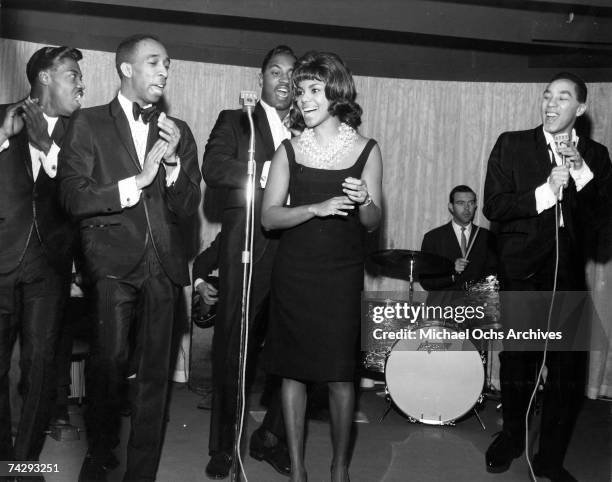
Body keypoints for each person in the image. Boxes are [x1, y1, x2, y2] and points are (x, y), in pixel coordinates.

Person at [58, 34, 201, 481]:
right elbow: (72, 196)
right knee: (108, 371)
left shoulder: (178, 131)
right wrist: (134, 183)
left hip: (164, 269)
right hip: (113, 269)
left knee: (155, 381)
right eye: (154, 62)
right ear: (125, 69)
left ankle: (141, 474)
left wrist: (175, 163)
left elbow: (187, 206)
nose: (164, 71)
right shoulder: (88, 123)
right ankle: (99, 461)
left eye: (168, 64)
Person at [483, 72, 612, 480]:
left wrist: (580, 174)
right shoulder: (512, 143)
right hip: (523, 275)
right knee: (519, 364)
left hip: (569, 279)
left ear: (581, 108)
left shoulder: (596, 154)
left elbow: (603, 223)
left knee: (567, 376)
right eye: (547, 96)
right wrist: (543, 192)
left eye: (563, 97)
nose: (552, 104)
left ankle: (550, 459)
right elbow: (494, 206)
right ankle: (511, 437)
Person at [261, 51, 382, 482]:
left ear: (336, 94)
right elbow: (269, 217)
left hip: (342, 276)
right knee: (292, 373)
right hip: (295, 274)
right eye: (301, 91)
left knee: (339, 376)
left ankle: (339, 467)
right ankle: (297, 470)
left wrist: (365, 200)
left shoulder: (367, 150)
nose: (305, 98)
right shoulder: (288, 151)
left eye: (314, 90)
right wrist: (316, 207)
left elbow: (372, 223)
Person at [201, 45, 296, 478]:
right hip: (249, 248)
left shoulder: (308, 128)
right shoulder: (236, 120)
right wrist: (261, 174)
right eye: (275, 71)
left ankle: (271, 437)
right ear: (261, 78)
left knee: (291, 349)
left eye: (291, 74)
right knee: (233, 348)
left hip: (297, 253)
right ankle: (224, 447)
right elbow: (214, 167)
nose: (283, 79)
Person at [0, 45, 84, 463]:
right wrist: (2, 134)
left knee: (39, 370)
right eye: (72, 74)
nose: (81, 83)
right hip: (0, 260)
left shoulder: (81, 132)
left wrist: (46, 146)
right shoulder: (1, 115)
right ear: (45, 77)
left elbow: (81, 194)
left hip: (49, 268)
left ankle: (22, 462)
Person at [420, 185, 497, 307]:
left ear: (475, 206)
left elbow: (494, 277)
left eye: (471, 203)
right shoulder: (433, 238)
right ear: (451, 206)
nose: (467, 208)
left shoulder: (487, 237)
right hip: (442, 309)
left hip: (477, 311)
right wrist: (451, 273)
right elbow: (426, 281)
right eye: (460, 203)